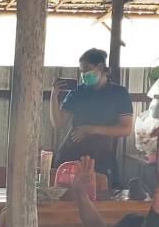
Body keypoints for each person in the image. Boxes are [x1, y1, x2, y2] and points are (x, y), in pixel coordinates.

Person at [52, 48, 133, 190]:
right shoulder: (78, 92)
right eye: (82, 71)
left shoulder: (119, 93)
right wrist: (54, 97)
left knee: (99, 195)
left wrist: (91, 129)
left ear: (100, 67)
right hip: (71, 154)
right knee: (67, 197)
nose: (84, 74)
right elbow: (59, 123)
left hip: (101, 157)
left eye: (87, 69)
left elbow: (125, 129)